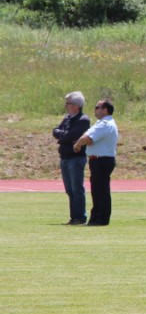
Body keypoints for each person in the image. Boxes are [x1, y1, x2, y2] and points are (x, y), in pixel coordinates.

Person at [73, 99, 118, 226]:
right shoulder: (102, 123)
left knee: (101, 191)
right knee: (97, 190)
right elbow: (89, 137)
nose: (95, 109)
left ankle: (101, 219)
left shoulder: (105, 124)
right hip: (99, 159)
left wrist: (77, 144)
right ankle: (95, 218)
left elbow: (87, 138)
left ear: (105, 110)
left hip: (101, 160)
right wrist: (86, 141)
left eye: (97, 107)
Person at [53, 91, 90, 225]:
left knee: (77, 189)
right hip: (65, 157)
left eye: (68, 103)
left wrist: (62, 136)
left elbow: (71, 135)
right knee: (69, 189)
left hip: (76, 158)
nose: (66, 106)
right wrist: (63, 135)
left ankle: (79, 217)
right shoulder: (68, 118)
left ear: (76, 105)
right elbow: (56, 131)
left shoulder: (83, 120)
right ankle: (73, 216)